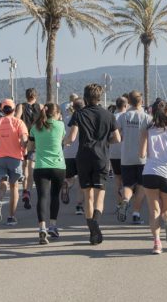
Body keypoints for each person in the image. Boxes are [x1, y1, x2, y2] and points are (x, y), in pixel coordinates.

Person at [66, 84, 120, 244]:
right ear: (99, 97)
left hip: (83, 157)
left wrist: (64, 141)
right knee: (99, 195)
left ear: (85, 97)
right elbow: (117, 138)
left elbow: (72, 137)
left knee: (87, 196)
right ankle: (96, 220)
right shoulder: (109, 115)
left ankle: (92, 231)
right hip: (101, 157)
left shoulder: (79, 114)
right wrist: (105, 142)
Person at [139, 100, 167, 254]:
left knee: (153, 210)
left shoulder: (147, 130)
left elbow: (142, 154)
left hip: (150, 172)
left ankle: (157, 243)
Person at [29, 103, 66, 245]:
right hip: (58, 166)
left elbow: (31, 144)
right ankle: (53, 226)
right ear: (56, 114)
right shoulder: (60, 126)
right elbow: (62, 139)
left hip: (41, 166)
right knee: (55, 196)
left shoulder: (35, 127)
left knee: (42, 197)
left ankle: (42, 228)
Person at [116, 90, 150, 225]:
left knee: (127, 184)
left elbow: (116, 132)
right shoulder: (147, 117)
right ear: (141, 101)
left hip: (126, 157)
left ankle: (125, 201)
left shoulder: (123, 117)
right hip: (143, 158)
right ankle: (136, 213)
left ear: (128, 101)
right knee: (141, 186)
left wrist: (122, 138)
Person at [0, 99, 28, 226]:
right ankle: (11, 217)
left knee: (2, 182)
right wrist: (24, 148)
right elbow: (24, 138)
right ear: (13, 110)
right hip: (15, 158)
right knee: (14, 187)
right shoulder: (19, 122)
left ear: (1, 110)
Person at [15, 88, 43, 210]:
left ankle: (25, 189)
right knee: (34, 163)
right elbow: (46, 120)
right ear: (36, 96)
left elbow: (16, 120)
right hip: (37, 137)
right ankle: (32, 189)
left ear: (26, 96)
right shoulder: (41, 106)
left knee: (25, 165)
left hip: (24, 136)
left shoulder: (21, 106)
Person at [61, 98, 85, 215]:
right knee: (81, 181)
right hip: (81, 152)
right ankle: (79, 206)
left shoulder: (65, 119)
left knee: (70, 177)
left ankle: (67, 184)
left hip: (68, 152)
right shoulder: (85, 119)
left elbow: (63, 136)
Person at [108, 96, 128, 211]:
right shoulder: (128, 117)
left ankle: (119, 204)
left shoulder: (112, 117)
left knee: (117, 179)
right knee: (128, 181)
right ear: (126, 105)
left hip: (114, 152)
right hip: (127, 152)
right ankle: (126, 199)